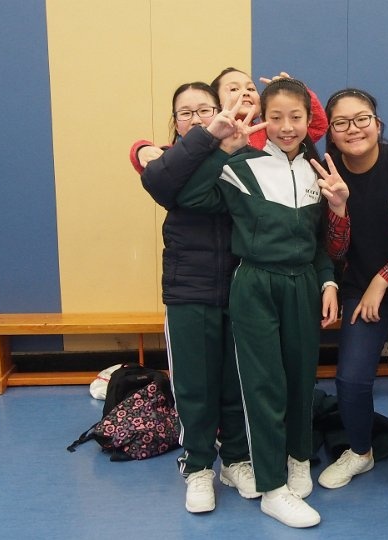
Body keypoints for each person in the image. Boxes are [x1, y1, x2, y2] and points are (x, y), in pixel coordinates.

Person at [175, 77, 339, 529]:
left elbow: (319, 241)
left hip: (303, 284)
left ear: (309, 120)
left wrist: (328, 281)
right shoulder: (240, 165)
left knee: (302, 377)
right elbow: (190, 196)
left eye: (296, 117)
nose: (287, 127)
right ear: (263, 118)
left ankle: (298, 457)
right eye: (277, 117)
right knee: (264, 386)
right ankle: (272, 487)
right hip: (255, 284)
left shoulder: (316, 169)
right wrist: (224, 150)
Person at [134, 82, 265, 514]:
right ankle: (197, 467)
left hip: (239, 287)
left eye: (204, 109)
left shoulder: (243, 151)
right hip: (189, 288)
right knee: (194, 385)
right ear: (175, 122)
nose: (195, 117)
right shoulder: (168, 160)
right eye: (185, 112)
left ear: (220, 109)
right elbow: (160, 183)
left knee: (234, 381)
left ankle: (237, 459)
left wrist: (226, 148)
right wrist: (212, 142)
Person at [310, 88, 388, 490]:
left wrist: (383, 280)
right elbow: (334, 250)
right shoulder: (327, 172)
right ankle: (360, 450)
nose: (354, 129)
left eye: (362, 118)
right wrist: (337, 209)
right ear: (331, 132)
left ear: (377, 123)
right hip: (357, 288)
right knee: (350, 379)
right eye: (341, 122)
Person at [131, 68, 327, 171]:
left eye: (251, 88)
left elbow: (318, 126)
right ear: (216, 102)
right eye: (234, 89)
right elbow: (172, 157)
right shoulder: (209, 135)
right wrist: (141, 150)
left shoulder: (269, 129)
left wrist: (297, 91)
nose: (245, 92)